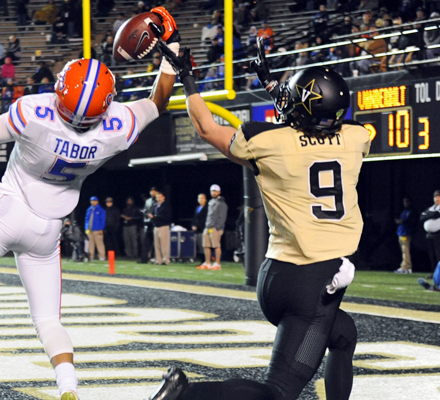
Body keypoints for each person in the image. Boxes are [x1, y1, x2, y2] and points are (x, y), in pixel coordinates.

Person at [0, 6, 177, 400]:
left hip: (8, 211)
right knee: (46, 319)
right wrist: (171, 48)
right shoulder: (118, 128)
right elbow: (157, 101)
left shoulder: (33, 113)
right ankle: (68, 389)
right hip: (48, 230)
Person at [150, 36, 369, 400]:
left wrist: (188, 77)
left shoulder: (269, 142)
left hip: (278, 276)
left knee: (344, 337)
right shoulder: (357, 137)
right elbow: (308, 124)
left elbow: (206, 128)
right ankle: (184, 395)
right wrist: (279, 91)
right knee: (278, 394)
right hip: (313, 282)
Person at [198, 184, 227, 270]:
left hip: (215, 227)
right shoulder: (210, 202)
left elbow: (222, 216)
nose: (214, 193)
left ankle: (217, 264)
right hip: (208, 226)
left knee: (216, 246)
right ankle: (207, 263)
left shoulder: (221, 203)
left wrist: (220, 228)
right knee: (206, 246)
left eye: (215, 191)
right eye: (212, 191)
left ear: (219, 192)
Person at [420, 190, 440, 277]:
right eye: (435, 197)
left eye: (438, 196)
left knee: (438, 254)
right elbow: (422, 217)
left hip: (438, 234)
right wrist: (431, 214)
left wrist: (429, 215)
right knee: (432, 255)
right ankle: (434, 273)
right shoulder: (431, 208)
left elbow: (436, 215)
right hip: (430, 234)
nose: (437, 198)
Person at [150, 191, 172, 265]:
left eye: (160, 197)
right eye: (157, 197)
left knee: (164, 244)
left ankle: (165, 260)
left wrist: (155, 217)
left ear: (163, 197)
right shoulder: (156, 205)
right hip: (156, 226)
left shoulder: (166, 206)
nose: (158, 198)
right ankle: (158, 260)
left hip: (164, 226)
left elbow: (167, 217)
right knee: (157, 244)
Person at [394, 197, 415, 274]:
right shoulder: (404, 211)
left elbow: (410, 221)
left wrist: (402, 221)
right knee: (403, 251)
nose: (405, 203)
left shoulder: (411, 211)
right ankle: (404, 265)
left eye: (406, 201)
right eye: (404, 201)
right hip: (401, 233)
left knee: (405, 250)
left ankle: (407, 267)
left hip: (406, 233)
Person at [139, 187, 158, 263]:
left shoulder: (159, 200)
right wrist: (146, 216)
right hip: (148, 224)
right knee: (146, 242)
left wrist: (153, 216)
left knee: (156, 243)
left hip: (155, 223)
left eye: (154, 191)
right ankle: (144, 259)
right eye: (151, 191)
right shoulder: (148, 201)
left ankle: (154, 258)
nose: (152, 192)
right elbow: (145, 211)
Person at [85, 196, 106, 261]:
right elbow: (86, 220)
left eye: (94, 201)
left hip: (97, 230)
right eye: (92, 201)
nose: (93, 202)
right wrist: (86, 228)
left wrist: (101, 229)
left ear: (97, 201)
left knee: (99, 243)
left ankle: (102, 256)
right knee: (90, 244)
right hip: (89, 230)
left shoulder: (101, 210)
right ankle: (91, 256)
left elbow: (102, 220)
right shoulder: (89, 209)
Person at [191, 193, 207, 263]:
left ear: (205, 199)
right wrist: (193, 225)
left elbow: (205, 219)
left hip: (203, 229)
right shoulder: (197, 207)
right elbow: (195, 218)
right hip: (197, 230)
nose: (200, 200)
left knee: (203, 245)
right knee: (199, 246)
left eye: (202, 198)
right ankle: (201, 260)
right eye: (199, 198)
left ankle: (205, 260)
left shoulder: (207, 208)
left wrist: (198, 226)